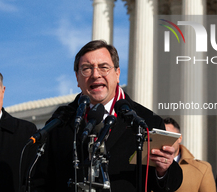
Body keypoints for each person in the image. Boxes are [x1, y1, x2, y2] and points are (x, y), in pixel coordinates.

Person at [34, 40, 182, 192]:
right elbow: (39, 180)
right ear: (77, 78)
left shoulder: (147, 121)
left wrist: (163, 170)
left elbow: (169, 184)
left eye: (103, 67)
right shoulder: (60, 121)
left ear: (117, 74)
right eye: (86, 69)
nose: (95, 74)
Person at [164, 117, 216, 192]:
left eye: (170, 136)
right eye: (162, 136)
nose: (166, 140)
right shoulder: (146, 167)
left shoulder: (202, 169)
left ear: (180, 138)